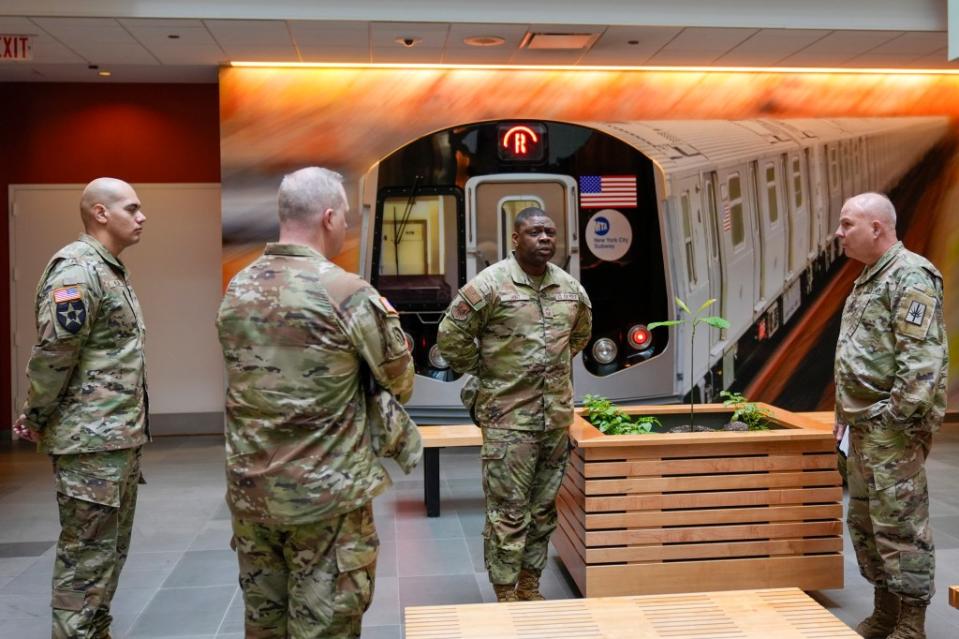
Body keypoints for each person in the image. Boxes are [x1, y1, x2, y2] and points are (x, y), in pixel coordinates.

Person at [216, 167, 418, 638]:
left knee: (265, 625)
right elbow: (400, 381)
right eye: (345, 215)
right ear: (329, 217)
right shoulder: (345, 293)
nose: (346, 225)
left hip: (252, 495)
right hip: (325, 502)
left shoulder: (238, 288)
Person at [12, 178, 149, 639]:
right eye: (132, 208)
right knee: (85, 563)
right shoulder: (76, 271)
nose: (142, 216)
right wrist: (34, 414)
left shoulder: (109, 269)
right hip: (90, 445)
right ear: (99, 213)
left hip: (116, 441)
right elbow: (55, 353)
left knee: (106, 558)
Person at [436, 207, 592, 602]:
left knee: (542, 511)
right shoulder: (490, 286)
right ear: (515, 239)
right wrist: (490, 372)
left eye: (550, 233)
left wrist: (547, 372)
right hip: (508, 421)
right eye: (535, 232)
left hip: (554, 421)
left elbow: (578, 339)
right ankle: (505, 591)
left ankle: (530, 586)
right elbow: (450, 337)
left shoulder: (571, 291)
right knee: (508, 512)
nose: (545, 239)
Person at [833, 192, 948, 639]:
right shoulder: (868, 278)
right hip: (861, 429)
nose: (839, 234)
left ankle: (911, 623)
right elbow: (857, 357)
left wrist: (892, 421)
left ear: (876, 228)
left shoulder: (911, 276)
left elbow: (922, 364)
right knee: (865, 524)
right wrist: (844, 416)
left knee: (901, 525)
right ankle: (886, 610)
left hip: (889, 432)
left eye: (847, 225)